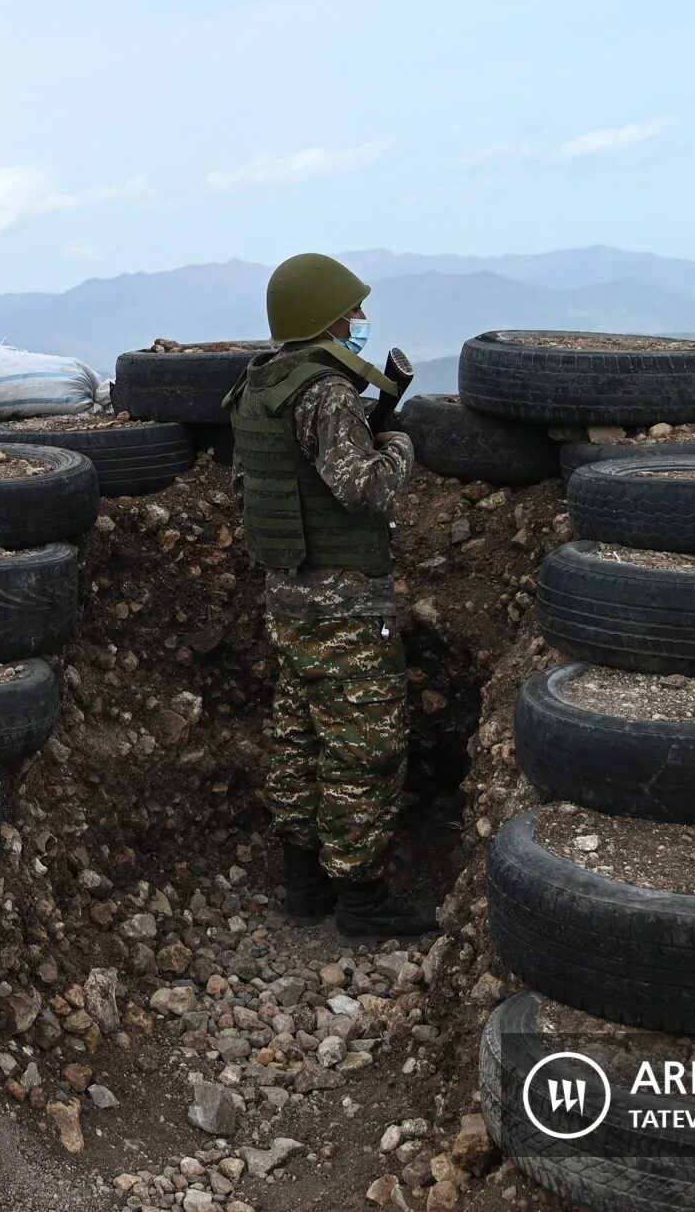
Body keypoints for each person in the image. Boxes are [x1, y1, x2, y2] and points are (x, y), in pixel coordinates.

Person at [225, 252, 437, 938]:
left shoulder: (259, 387)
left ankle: (304, 884)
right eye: (353, 312)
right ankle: (361, 899)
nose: (362, 321)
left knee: (299, 737)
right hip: (346, 608)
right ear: (326, 318)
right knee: (363, 747)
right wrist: (399, 444)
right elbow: (364, 488)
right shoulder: (327, 393)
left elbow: (246, 486)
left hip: (288, 599)